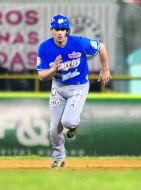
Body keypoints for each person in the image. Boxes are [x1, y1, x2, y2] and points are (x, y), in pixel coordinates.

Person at [36, 15, 111, 168]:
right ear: (52, 30)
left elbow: (101, 47)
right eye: (57, 29)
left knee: (68, 121)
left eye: (63, 29)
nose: (60, 32)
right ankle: (58, 158)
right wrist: (52, 69)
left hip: (78, 86)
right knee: (54, 128)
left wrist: (105, 69)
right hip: (58, 88)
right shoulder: (44, 47)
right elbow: (41, 75)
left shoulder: (78, 42)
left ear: (67, 31)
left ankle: (73, 125)